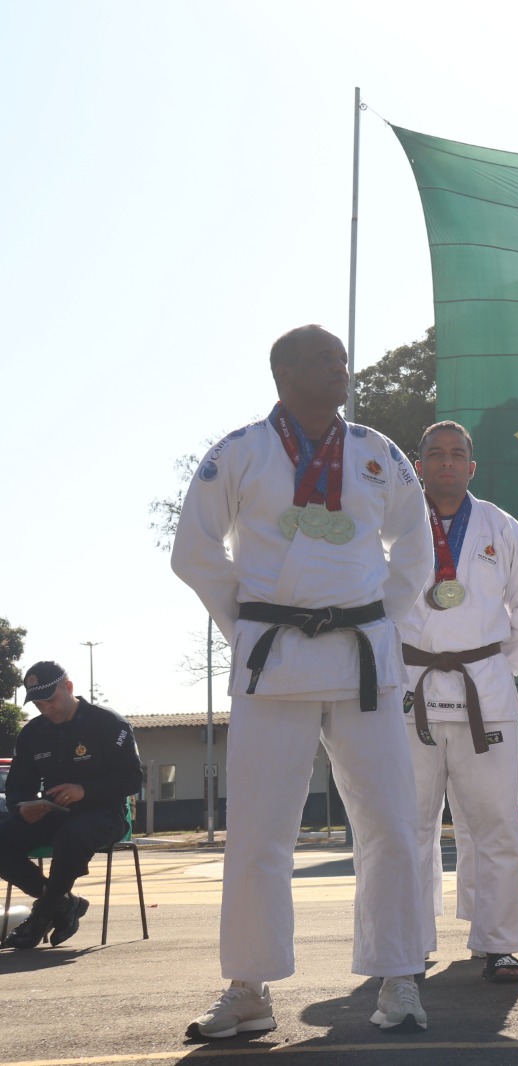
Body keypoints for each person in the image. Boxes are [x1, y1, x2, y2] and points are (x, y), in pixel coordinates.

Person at [172, 324, 435, 1039]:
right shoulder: (241, 452)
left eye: (343, 359)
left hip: (362, 657)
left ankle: (400, 974)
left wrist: (383, 616)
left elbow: (416, 544)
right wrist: (251, 624)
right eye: (324, 360)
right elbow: (193, 550)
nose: (341, 368)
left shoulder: (378, 454)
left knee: (388, 823)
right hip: (274, 658)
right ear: (283, 372)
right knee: (259, 831)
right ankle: (248, 988)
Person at [399, 420, 518, 983]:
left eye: (456, 454)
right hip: (411, 694)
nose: (445, 462)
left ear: (472, 466)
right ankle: (407, 943)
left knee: (494, 826)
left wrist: (497, 671)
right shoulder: (395, 527)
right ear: (418, 465)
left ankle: (498, 942)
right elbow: (375, 606)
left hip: (484, 694)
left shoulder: (502, 527)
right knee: (409, 825)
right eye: (434, 453)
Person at [1, 663, 141, 950]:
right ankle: (63, 903)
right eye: (39, 704)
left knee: (73, 835)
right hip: (53, 813)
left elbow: (132, 779)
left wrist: (84, 791)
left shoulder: (108, 723)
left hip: (104, 813)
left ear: (68, 688)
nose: (47, 710)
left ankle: (42, 915)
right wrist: (23, 806)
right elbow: (18, 786)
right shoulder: (33, 733)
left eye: (51, 700)